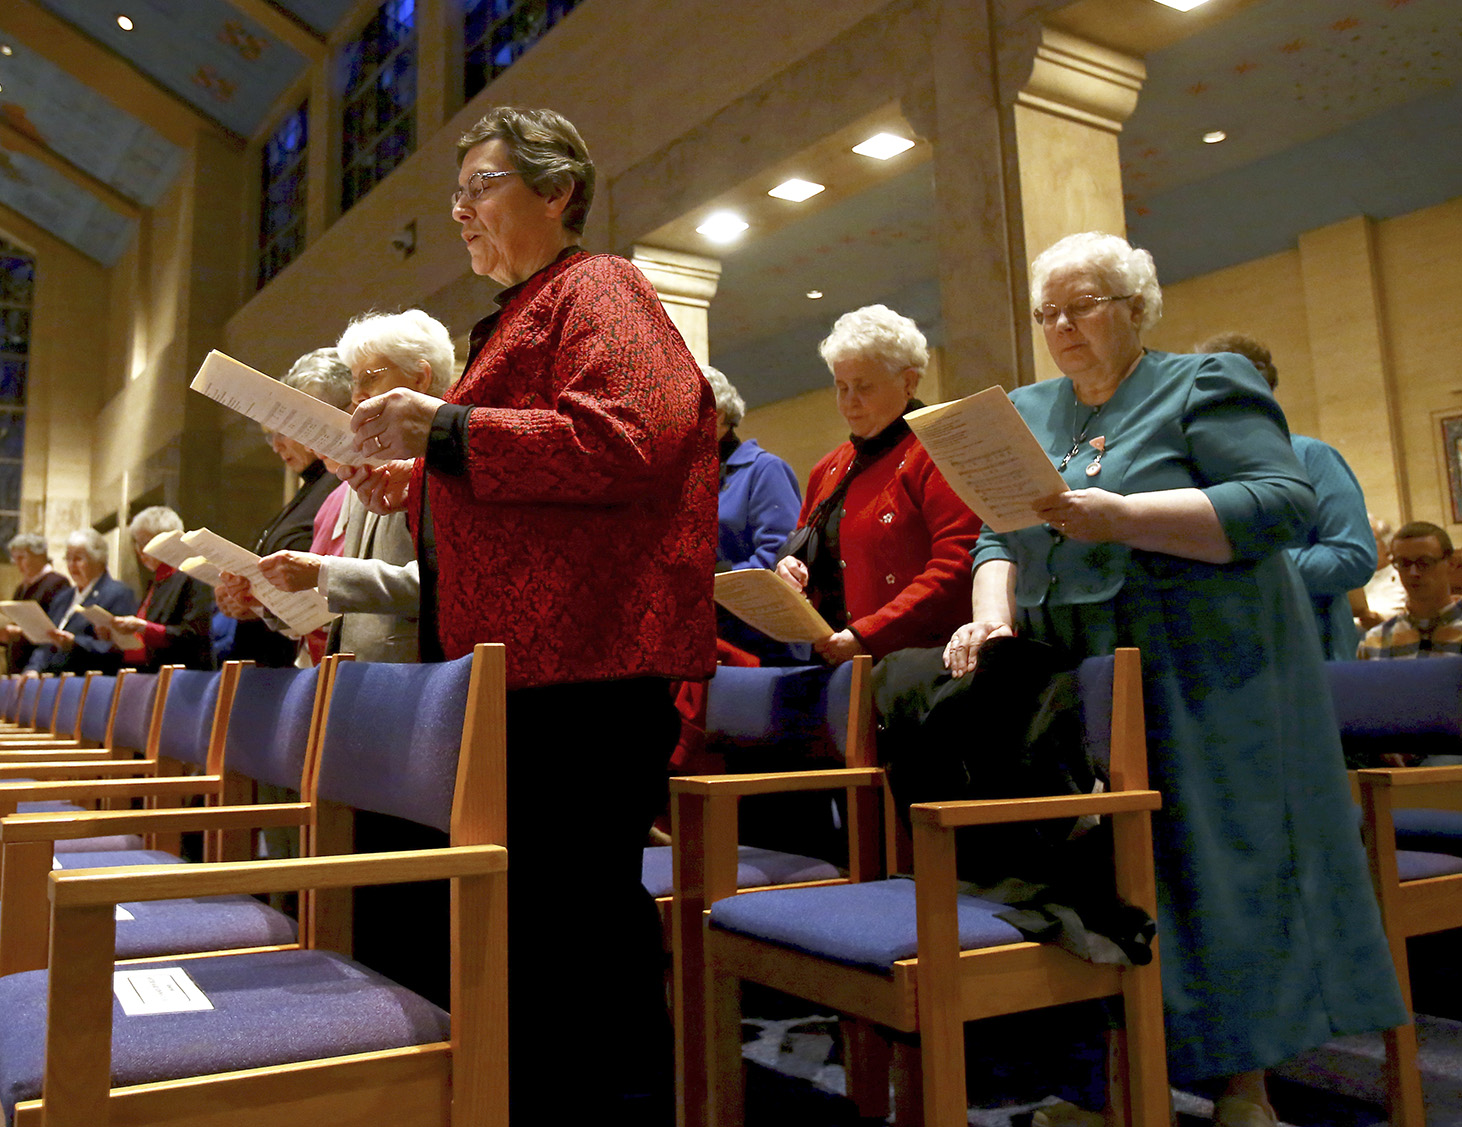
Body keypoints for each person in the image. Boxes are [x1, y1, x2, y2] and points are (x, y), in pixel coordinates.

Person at [942, 231, 1404, 1127]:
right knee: (1099, 877)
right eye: (1049, 312)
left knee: (1213, 867)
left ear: (1136, 308)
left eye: (1083, 306)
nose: (1063, 326)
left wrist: (1124, 517)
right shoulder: (1030, 409)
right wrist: (991, 611)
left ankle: (1244, 1087)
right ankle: (1117, 1086)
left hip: (1208, 671)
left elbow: (1279, 502)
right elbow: (998, 532)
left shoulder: (1203, 383)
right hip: (1077, 679)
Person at [339, 106, 716, 1123]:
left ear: (556, 191)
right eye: (454, 191)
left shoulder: (601, 286)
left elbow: (628, 437)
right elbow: (512, 471)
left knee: (580, 925)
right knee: (537, 927)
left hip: (589, 669)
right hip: (521, 674)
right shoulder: (513, 316)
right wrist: (415, 480)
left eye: (482, 185)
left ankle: (617, 1104)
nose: (460, 210)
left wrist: (444, 429)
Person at [773, 304, 982, 664]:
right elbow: (802, 545)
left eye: (864, 387)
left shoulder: (938, 450)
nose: (849, 403)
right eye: (842, 387)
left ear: (908, 381)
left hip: (915, 664)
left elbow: (958, 564)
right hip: (834, 663)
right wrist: (789, 570)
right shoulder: (827, 469)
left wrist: (866, 635)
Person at [256, 309, 455, 665]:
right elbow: (344, 606)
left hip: (412, 673)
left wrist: (324, 572)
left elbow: (448, 584)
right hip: (353, 673)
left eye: (370, 378)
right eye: (354, 382)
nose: (358, 395)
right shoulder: (364, 472)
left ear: (420, 378)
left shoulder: (449, 460)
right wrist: (267, 597)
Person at [1196, 331, 1374, 661]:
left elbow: (1353, 557)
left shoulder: (1312, 457)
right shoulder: (1198, 466)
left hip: (1308, 651)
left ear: (1266, 394)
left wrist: (1243, 560)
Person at [215, 348, 352, 667]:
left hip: (309, 662)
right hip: (274, 657)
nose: (277, 444)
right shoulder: (313, 488)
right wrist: (247, 598)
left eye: (286, 428)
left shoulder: (344, 482)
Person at [701, 362, 804, 664]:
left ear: (718, 415)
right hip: (713, 639)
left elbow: (777, 558)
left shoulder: (765, 470)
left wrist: (706, 584)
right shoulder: (693, 476)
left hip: (762, 646)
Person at [100, 506, 213, 671]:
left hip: (181, 679)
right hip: (148, 674)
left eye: (146, 543)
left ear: (169, 541)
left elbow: (192, 637)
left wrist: (142, 627)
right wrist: (116, 634)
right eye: (137, 543)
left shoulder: (193, 576)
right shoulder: (156, 580)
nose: (140, 551)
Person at [26, 529, 137, 674]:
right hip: (53, 682)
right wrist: (33, 668)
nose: (71, 565)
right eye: (68, 559)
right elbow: (47, 642)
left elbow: (119, 648)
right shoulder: (62, 598)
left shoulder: (118, 594)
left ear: (99, 560)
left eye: (78, 559)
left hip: (88, 681)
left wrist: (75, 643)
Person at [1357, 520, 1462, 659]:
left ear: (1451, 564)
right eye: (1404, 564)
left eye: (1424, 562)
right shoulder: (1376, 641)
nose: (1413, 572)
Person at [3, 533, 71, 673]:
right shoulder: (21, 588)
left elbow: (54, 626)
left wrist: (21, 632)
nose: (17, 563)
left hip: (40, 666)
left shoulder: (57, 583)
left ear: (39, 555)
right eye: (15, 558)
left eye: (21, 557)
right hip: (18, 665)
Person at [1355, 514, 1406, 631]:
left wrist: (1380, 622)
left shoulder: (1404, 575)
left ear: (1387, 544)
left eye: (1370, 539)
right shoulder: (1353, 577)